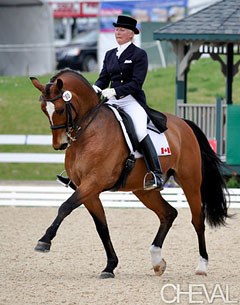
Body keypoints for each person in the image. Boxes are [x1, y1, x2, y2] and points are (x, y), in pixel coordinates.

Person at [58, 15, 164, 191]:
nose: (118, 33)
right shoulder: (110, 55)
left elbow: (137, 83)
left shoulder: (139, 55)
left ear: (131, 34)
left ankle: (156, 174)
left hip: (131, 101)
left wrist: (115, 90)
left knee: (138, 130)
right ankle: (73, 173)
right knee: (86, 124)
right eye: (116, 29)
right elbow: (103, 79)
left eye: (122, 30)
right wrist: (95, 89)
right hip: (112, 101)